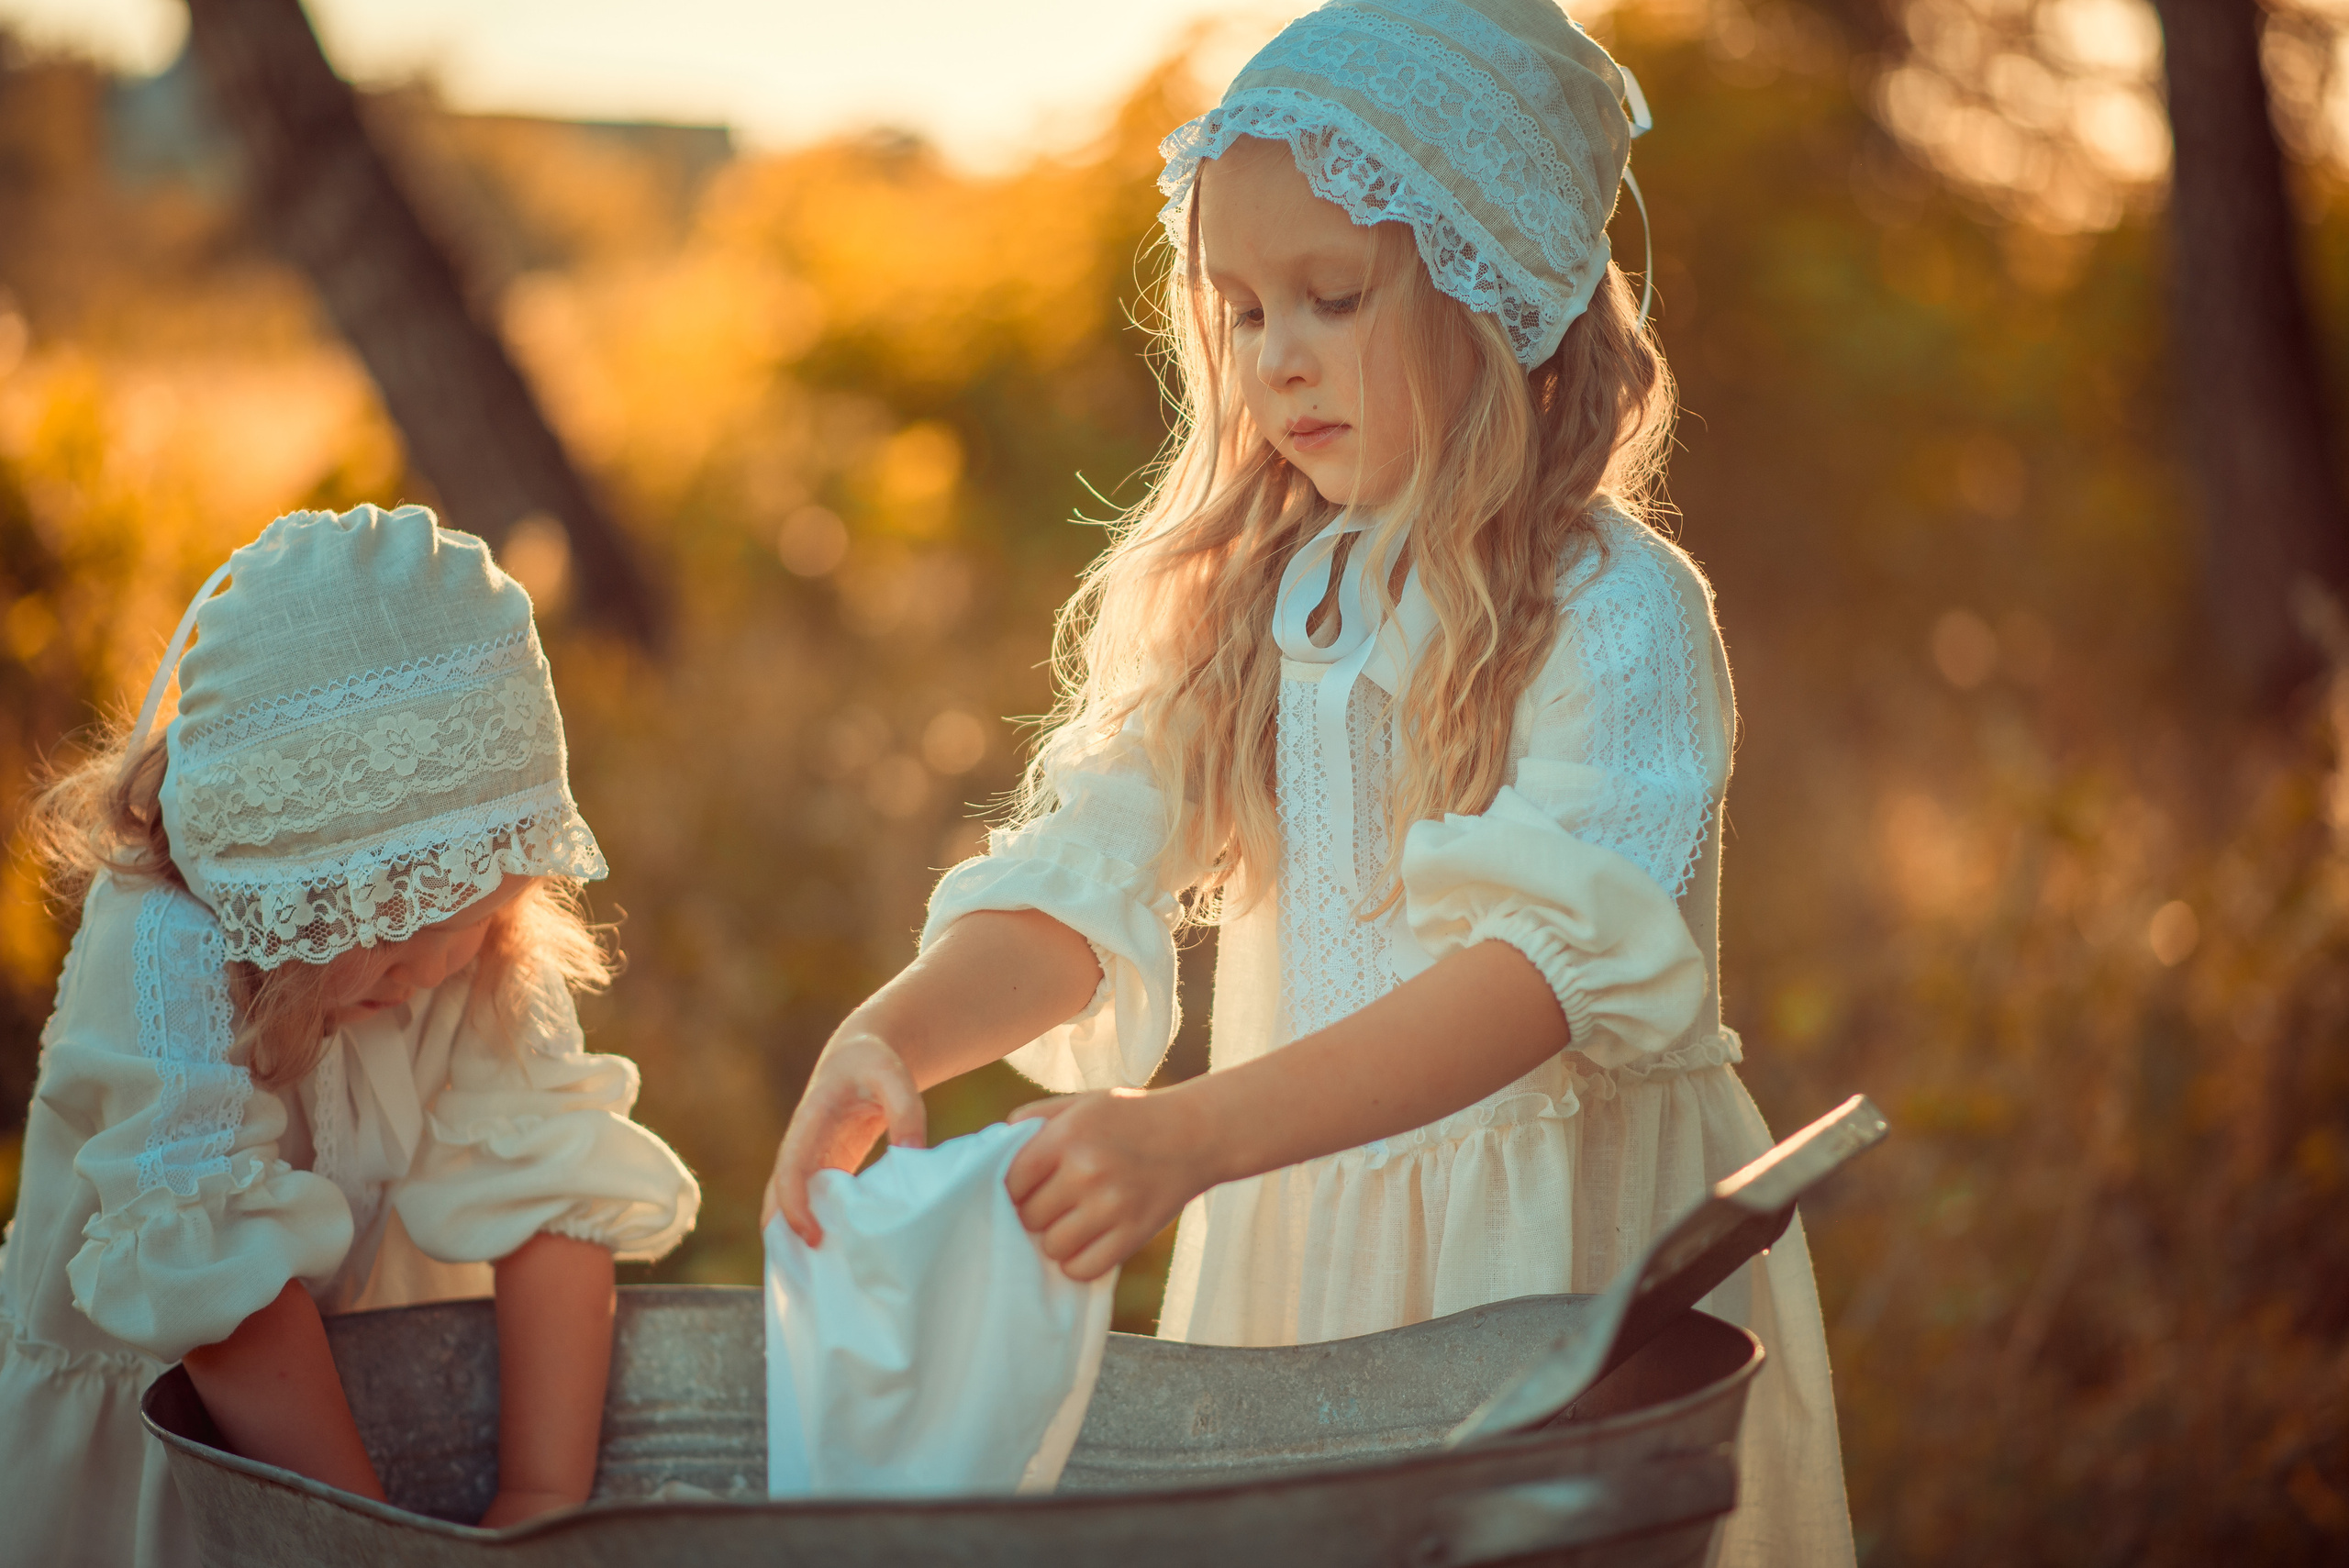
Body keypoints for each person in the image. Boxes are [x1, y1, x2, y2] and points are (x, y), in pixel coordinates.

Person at [767, 2, 1851, 1561]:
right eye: (1242, 309)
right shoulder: (1266, 595)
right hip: (1299, 1240)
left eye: (1331, 298)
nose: (1276, 360)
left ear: (1500, 289)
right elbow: (1093, 868)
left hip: (1543, 1261)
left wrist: (1193, 1132)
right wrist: (897, 1032)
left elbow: (1533, 977)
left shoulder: (1616, 613)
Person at [0, 504, 700, 1566]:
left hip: (381, 1437)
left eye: (468, 920)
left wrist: (537, 1491)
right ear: (278, 879)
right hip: (170, 1453)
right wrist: (364, 1541)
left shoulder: (479, 942)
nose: (428, 968)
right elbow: (217, 1283)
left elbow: (552, 1194)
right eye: (385, 930)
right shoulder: (164, 944)